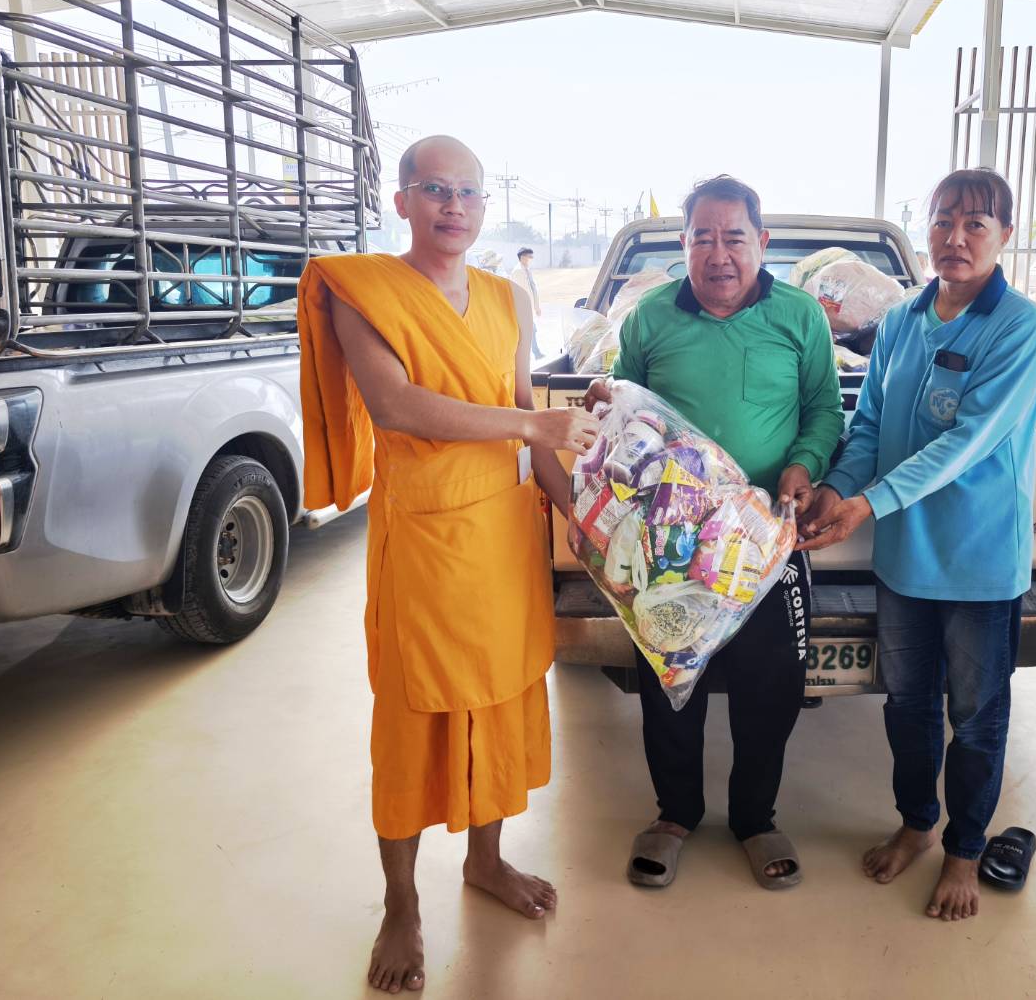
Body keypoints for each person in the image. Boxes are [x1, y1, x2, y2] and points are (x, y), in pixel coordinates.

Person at [298, 135, 599, 994]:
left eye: (468, 191)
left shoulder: (506, 297)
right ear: (402, 200)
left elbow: (521, 410)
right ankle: (400, 901)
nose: (454, 205)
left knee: (503, 697)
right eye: (435, 188)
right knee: (415, 710)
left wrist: (575, 510)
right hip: (426, 540)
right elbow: (394, 406)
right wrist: (531, 429)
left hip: (501, 537)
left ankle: (486, 861)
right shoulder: (366, 291)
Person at [799, 167, 1036, 922]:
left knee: (974, 714)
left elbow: (968, 443)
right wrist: (837, 489)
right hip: (903, 560)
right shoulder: (905, 321)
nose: (955, 238)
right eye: (943, 221)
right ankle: (916, 821)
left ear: (1005, 234)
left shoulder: (1018, 327)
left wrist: (866, 502)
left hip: (976, 564)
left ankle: (965, 850)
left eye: (976, 223)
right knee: (907, 704)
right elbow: (870, 424)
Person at [584, 175, 843, 890]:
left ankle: (755, 818)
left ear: (761, 243)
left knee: (774, 684)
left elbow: (824, 410)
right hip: (670, 540)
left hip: (765, 537)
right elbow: (625, 408)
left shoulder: (798, 316)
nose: (719, 253)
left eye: (734, 237)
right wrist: (606, 400)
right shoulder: (648, 320)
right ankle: (674, 814)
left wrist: (802, 465)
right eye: (703, 237)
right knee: (669, 679)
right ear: (684, 244)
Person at [511, 246, 544, 357]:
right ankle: (534, 354)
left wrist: (536, 306)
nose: (531, 259)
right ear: (523, 257)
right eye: (529, 257)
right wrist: (527, 308)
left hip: (528, 307)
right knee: (529, 330)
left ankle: (533, 353)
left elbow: (533, 289)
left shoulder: (526, 270)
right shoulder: (518, 272)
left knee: (530, 330)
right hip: (522, 307)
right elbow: (521, 293)